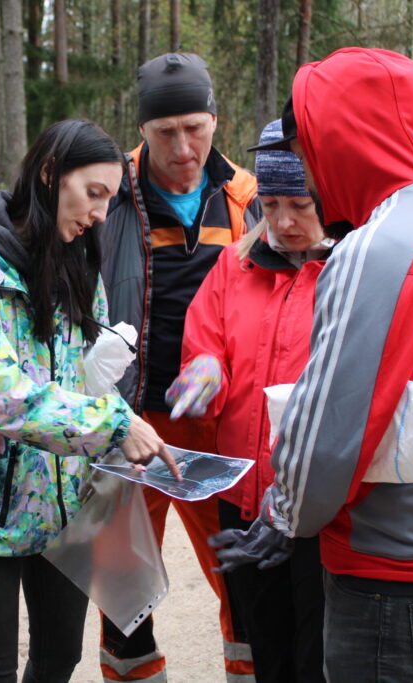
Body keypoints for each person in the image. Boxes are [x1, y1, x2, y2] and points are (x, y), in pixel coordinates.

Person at [212, 47, 413, 682]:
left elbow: (333, 431)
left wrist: (280, 513)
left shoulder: (381, 247)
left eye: (307, 147)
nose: (307, 169)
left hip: (393, 574)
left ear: (339, 138)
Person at [0, 118, 179, 683]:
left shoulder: (77, 262)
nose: (98, 214)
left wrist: (125, 415)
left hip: (63, 505)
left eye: (109, 201)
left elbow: (82, 378)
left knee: (60, 659)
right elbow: (0, 397)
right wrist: (114, 424)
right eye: (93, 194)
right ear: (48, 173)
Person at [98, 52, 260, 682]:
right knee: (123, 588)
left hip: (216, 424)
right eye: (165, 132)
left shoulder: (244, 196)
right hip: (127, 421)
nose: (183, 146)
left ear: (215, 120)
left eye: (195, 126)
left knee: (241, 574)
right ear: (142, 130)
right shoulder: (110, 193)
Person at [167, 119, 332, 682]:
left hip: (318, 510)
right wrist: (204, 373)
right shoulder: (234, 265)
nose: (283, 222)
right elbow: (205, 341)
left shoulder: (347, 271)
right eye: (270, 203)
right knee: (265, 651)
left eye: (300, 205)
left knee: (319, 655)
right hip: (244, 500)